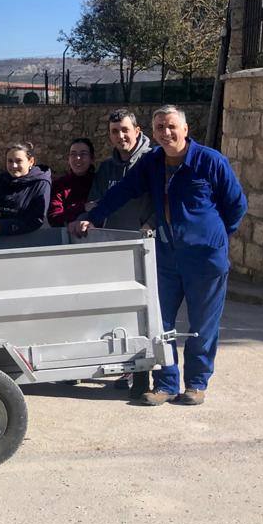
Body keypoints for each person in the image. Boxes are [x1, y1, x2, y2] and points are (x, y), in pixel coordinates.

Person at [70, 105, 247, 407]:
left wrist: (213, 237)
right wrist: (95, 216)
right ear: (153, 132)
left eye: (171, 126)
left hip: (205, 259)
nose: (166, 133)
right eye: (160, 128)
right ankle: (165, 384)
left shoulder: (210, 161)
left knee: (202, 326)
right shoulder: (152, 162)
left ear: (185, 129)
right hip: (165, 256)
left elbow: (236, 206)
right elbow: (123, 190)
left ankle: (195, 383)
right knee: (160, 324)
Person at [81, 109, 155, 398]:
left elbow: (163, 200)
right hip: (114, 249)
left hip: (144, 248)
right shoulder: (107, 168)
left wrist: (151, 225)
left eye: (125, 130)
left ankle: (143, 378)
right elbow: (94, 204)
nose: (121, 136)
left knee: (144, 317)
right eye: (114, 132)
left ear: (137, 130)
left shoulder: (152, 161)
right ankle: (125, 371)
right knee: (120, 317)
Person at [0, 141, 51, 237]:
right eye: (10, 161)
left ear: (31, 162)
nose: (14, 166)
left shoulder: (40, 183)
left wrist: (3, 227)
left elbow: (36, 220)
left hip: (25, 239)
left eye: (19, 161)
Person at [48, 138, 96, 226]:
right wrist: (83, 207)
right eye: (73, 154)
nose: (78, 158)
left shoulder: (99, 182)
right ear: (68, 159)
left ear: (92, 158)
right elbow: (54, 218)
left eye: (83, 154)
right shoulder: (59, 185)